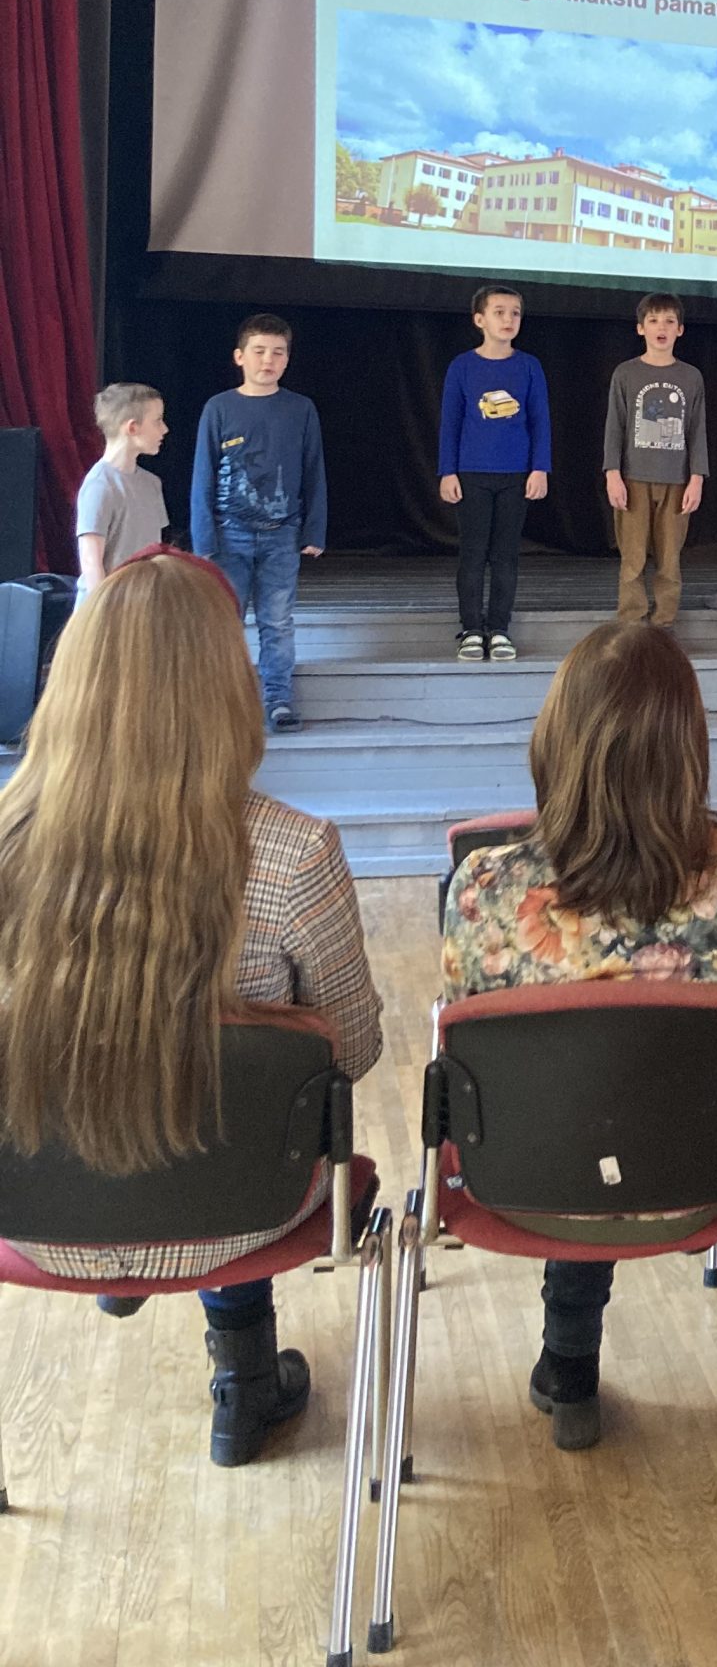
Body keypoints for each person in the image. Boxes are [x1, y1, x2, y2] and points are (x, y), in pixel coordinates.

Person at [0, 549, 381, 1466]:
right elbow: (351, 1054)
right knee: (242, 1121)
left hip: (31, 1207)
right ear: (229, 688)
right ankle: (244, 1388)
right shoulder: (296, 855)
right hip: (244, 1206)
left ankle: (118, 1225)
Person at [442, 619, 717, 1449]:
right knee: (621, 1091)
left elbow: (465, 1060)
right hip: (708, 1173)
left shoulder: (486, 886)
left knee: (578, 1098)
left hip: (531, 1178)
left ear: (555, 738)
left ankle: (569, 1360)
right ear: (687, 746)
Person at [190, 313, 327, 731]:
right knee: (224, 623)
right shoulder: (219, 407)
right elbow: (203, 474)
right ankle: (221, 701)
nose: (268, 360)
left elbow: (313, 470)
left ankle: (278, 699)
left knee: (277, 622)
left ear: (288, 359)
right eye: (259, 351)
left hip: (281, 535)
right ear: (239, 356)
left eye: (278, 352)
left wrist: (314, 529)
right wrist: (203, 538)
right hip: (227, 536)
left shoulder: (300, 408)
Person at [438, 282, 551, 662]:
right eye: (499, 312)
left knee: (505, 555)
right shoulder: (462, 366)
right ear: (479, 320)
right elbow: (450, 423)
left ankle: (499, 628)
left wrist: (539, 468)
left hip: (515, 476)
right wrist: (447, 471)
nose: (508, 319)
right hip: (471, 473)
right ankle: (472, 628)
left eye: (515, 313)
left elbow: (540, 421)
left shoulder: (529, 366)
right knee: (473, 554)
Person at [602, 293, 708, 627]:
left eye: (669, 321)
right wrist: (612, 473)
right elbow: (615, 426)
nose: (661, 328)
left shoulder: (691, 377)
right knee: (632, 558)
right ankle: (631, 623)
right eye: (653, 321)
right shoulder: (626, 373)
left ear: (680, 329)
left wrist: (697, 477)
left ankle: (663, 623)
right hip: (633, 478)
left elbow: (697, 429)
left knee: (669, 559)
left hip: (676, 481)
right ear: (640, 328)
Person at [75, 382, 169, 594]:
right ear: (132, 428)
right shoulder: (100, 485)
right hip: (110, 602)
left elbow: (155, 550)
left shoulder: (151, 483)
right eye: (157, 421)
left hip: (141, 599)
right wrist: (104, 607)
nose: (164, 429)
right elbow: (91, 562)